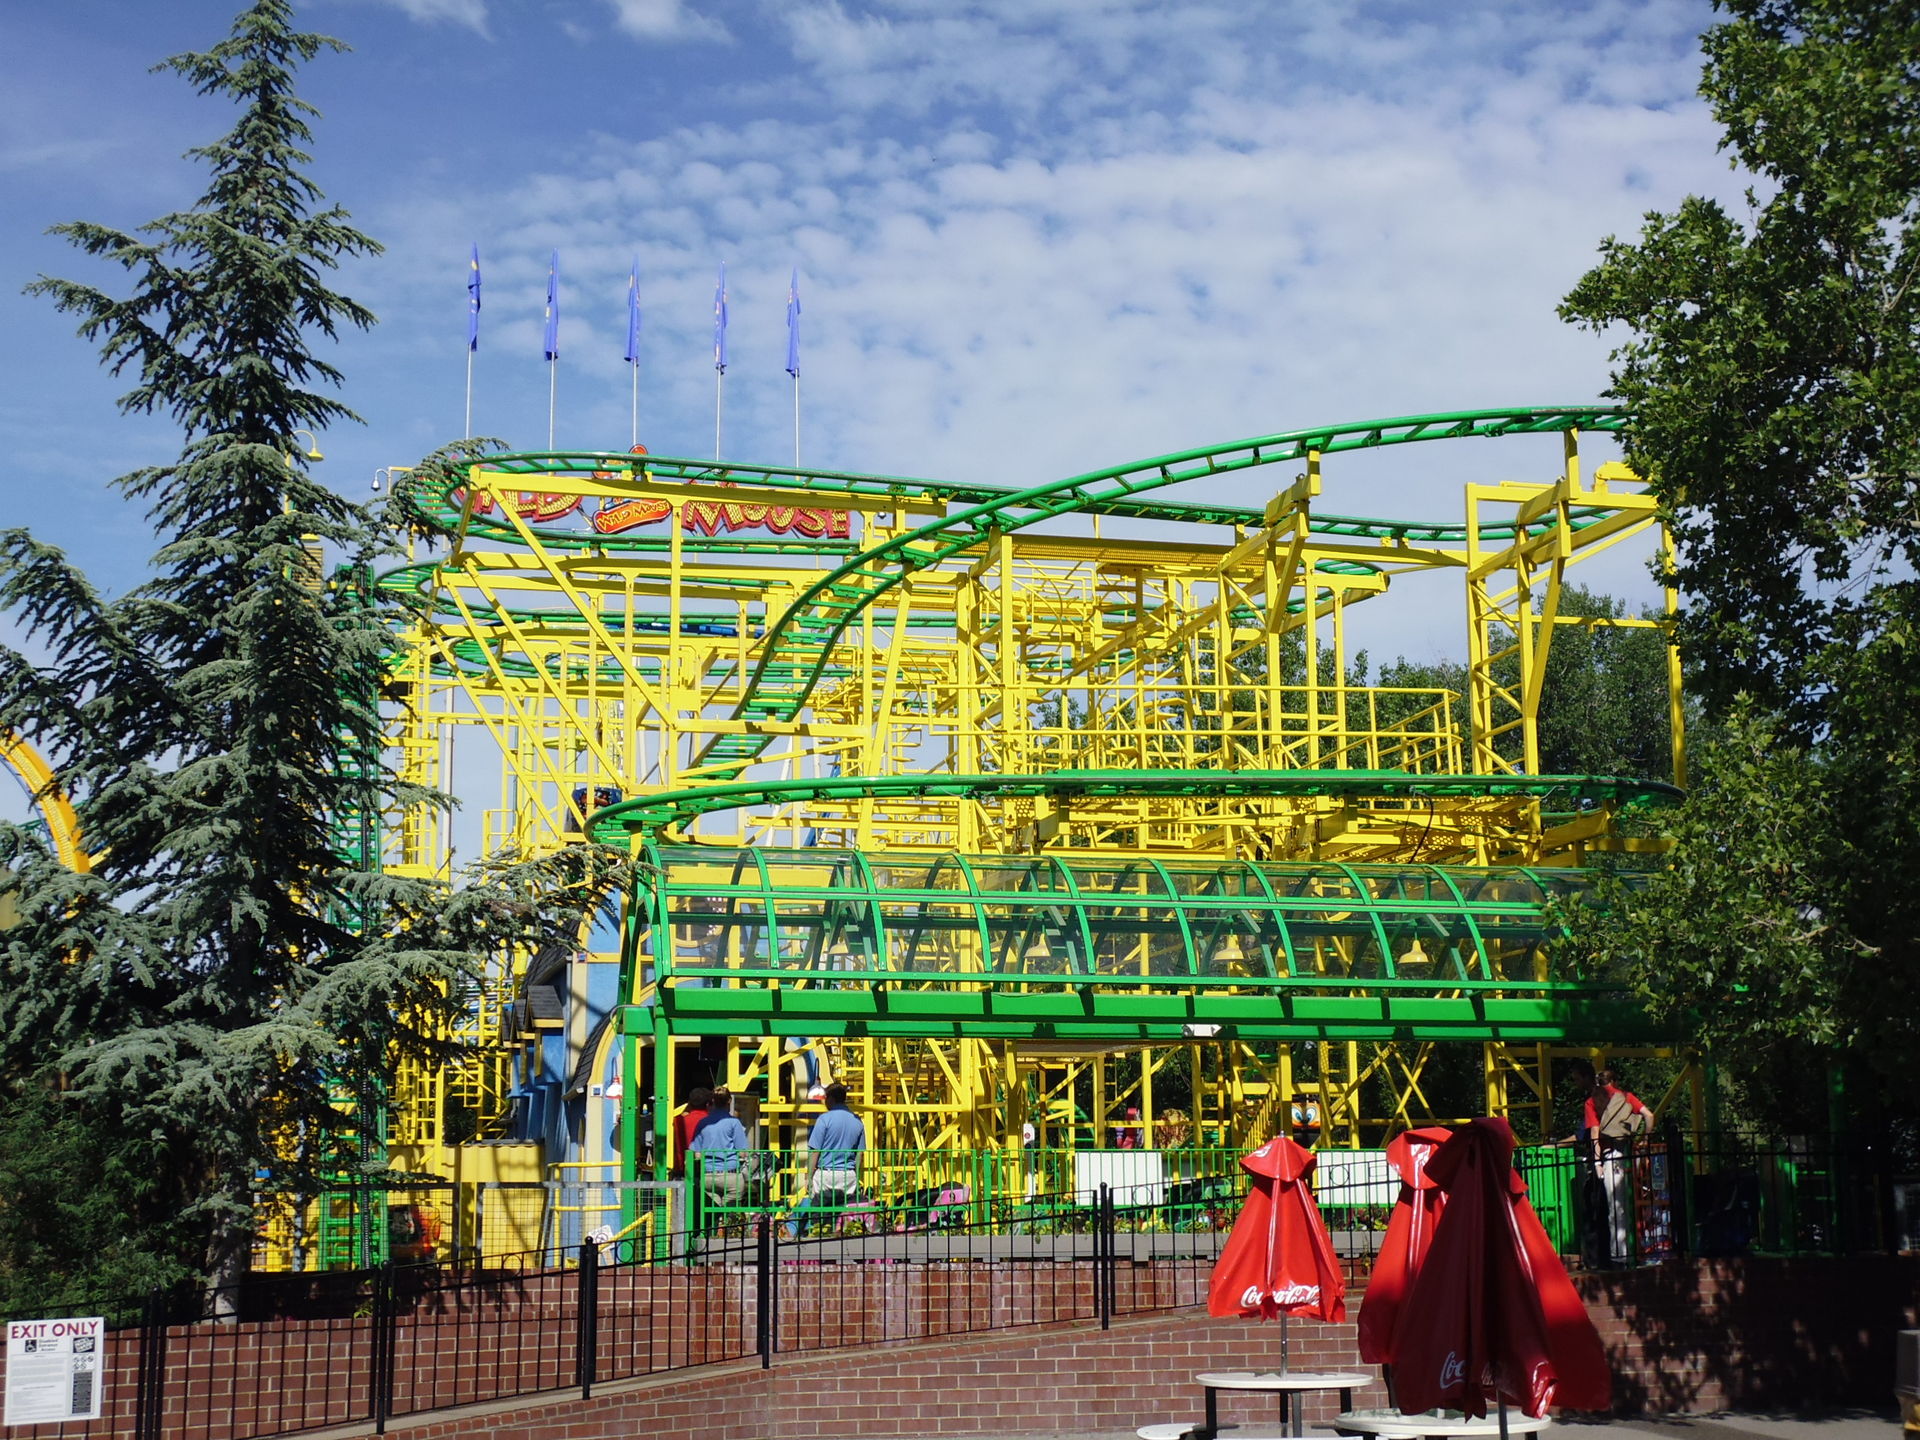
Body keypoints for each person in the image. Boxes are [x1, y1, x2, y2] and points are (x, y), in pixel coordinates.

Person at [1583, 1061, 1651, 1266]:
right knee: (1637, 1204)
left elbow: (1595, 1133)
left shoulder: (1592, 1102)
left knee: (1616, 1207)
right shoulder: (1626, 1097)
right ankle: (1642, 1249)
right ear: (1614, 1081)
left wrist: (1597, 1162)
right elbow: (1649, 1115)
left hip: (1611, 1155)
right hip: (1631, 1153)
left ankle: (1620, 1255)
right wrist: (1645, 1139)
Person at [785, 1083, 865, 1239]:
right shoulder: (857, 1121)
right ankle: (836, 1235)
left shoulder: (824, 1119)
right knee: (840, 1210)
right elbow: (860, 1154)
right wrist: (856, 1173)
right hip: (848, 1174)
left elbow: (815, 1151)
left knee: (817, 1208)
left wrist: (809, 1176)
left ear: (831, 1099)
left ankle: (804, 1232)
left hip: (826, 1174)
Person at [687, 1089, 749, 1221]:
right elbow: (743, 1152)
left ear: (713, 1101)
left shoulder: (703, 1123)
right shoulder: (734, 1123)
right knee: (730, 1215)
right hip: (730, 1175)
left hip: (708, 1176)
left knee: (712, 1215)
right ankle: (728, 1226)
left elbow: (696, 1153)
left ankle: (714, 1228)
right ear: (729, 1101)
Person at [670, 1085, 711, 1178]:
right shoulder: (711, 1120)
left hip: (682, 1169)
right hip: (705, 1168)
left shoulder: (678, 1120)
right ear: (708, 1104)